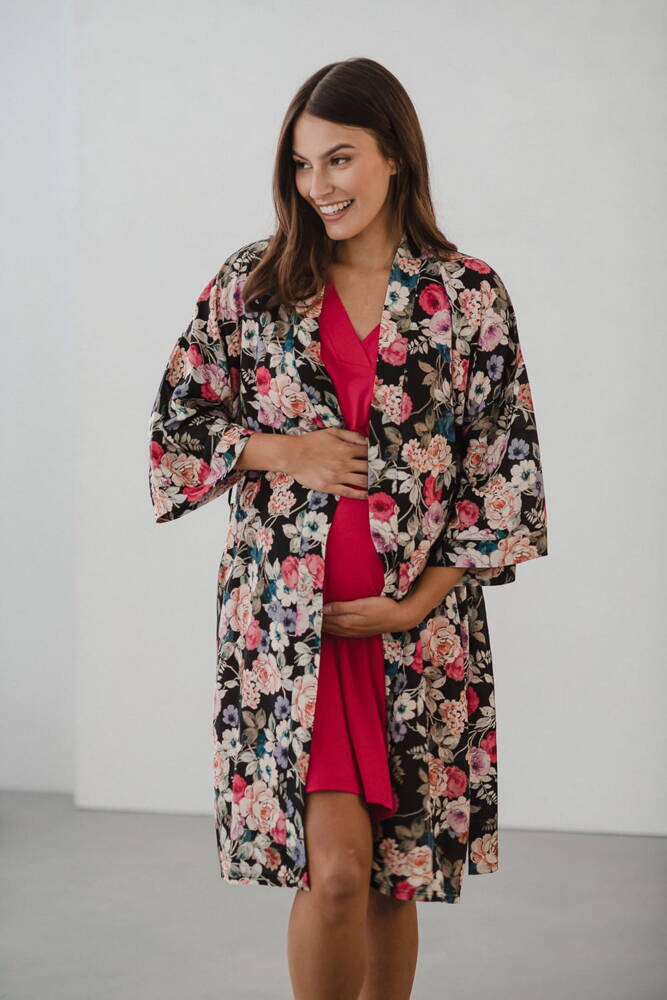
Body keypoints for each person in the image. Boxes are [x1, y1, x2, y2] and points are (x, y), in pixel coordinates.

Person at [148, 57, 548, 1000]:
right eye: (301, 164)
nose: (317, 185)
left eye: (339, 159)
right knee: (333, 873)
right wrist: (284, 451)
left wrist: (412, 607)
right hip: (293, 638)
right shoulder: (254, 283)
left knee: (389, 880)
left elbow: (501, 478)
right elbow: (177, 429)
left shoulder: (468, 297)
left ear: (394, 155)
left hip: (416, 639)